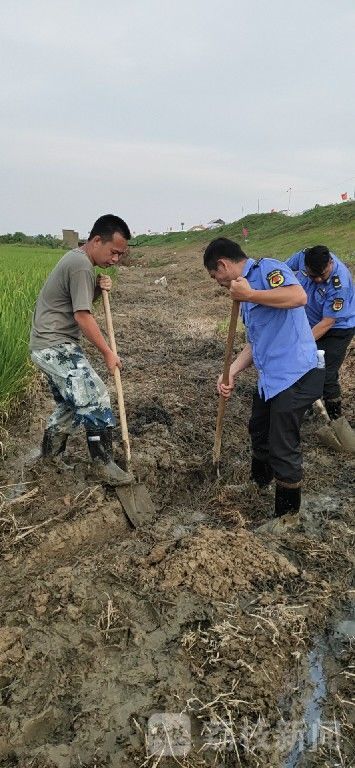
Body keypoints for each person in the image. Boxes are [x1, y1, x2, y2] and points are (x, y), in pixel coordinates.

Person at [203, 238, 325, 519]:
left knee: (283, 445)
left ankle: (287, 516)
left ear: (222, 264)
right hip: (271, 378)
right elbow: (256, 342)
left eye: (215, 276)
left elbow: (298, 297)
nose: (217, 282)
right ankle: (259, 483)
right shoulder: (243, 293)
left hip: (296, 374)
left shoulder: (267, 269)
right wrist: (231, 370)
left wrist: (251, 295)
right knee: (258, 430)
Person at [30, 214, 132, 486]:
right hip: (55, 344)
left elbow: (78, 302)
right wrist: (108, 352)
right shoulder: (80, 265)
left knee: (71, 403)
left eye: (120, 255)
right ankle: (102, 463)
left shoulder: (79, 261)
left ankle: (49, 458)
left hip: (47, 344)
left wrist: (98, 289)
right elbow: (83, 316)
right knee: (94, 395)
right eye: (113, 252)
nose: (115, 260)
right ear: (97, 240)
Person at [286, 245, 355, 420]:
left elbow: (328, 322)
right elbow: (282, 269)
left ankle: (335, 416)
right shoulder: (302, 257)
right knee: (305, 366)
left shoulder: (340, 285)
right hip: (310, 323)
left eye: (322, 275)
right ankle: (306, 406)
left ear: (330, 262)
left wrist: (301, 343)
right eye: (311, 275)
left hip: (337, 329)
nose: (317, 279)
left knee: (325, 372)